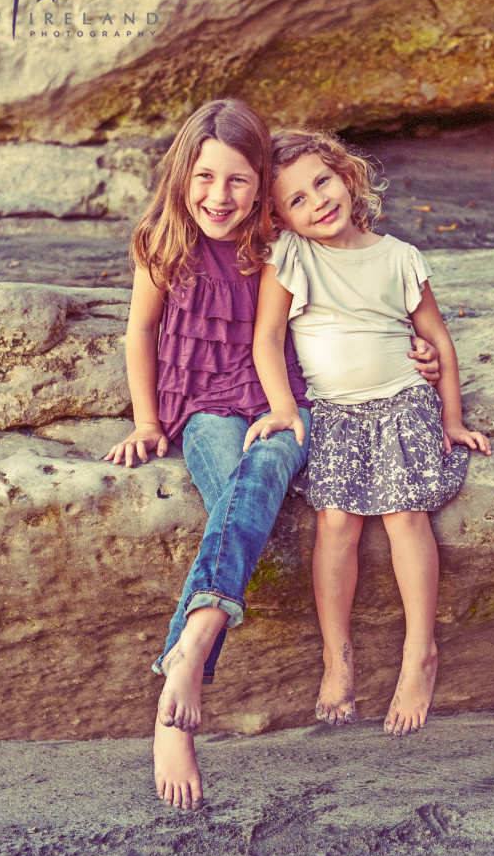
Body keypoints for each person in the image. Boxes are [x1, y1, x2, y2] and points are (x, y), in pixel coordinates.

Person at [105, 100, 440, 810]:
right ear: (181, 176)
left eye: (236, 182)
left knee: (257, 476)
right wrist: (145, 420)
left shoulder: (277, 242)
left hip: (281, 404)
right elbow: (139, 332)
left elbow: (357, 292)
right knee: (239, 494)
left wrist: (417, 356)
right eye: (204, 177)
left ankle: (183, 672)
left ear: (261, 188)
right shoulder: (160, 242)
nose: (217, 197)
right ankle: (188, 662)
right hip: (201, 409)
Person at [244, 128, 491, 738]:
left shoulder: (399, 257)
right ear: (279, 217)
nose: (316, 203)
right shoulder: (292, 259)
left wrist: (452, 418)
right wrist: (283, 407)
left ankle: (419, 654)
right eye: (295, 200)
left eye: (321, 182)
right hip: (333, 410)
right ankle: (338, 658)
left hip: (402, 401)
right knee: (336, 523)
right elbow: (267, 340)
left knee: (406, 515)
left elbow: (438, 342)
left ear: (347, 176)